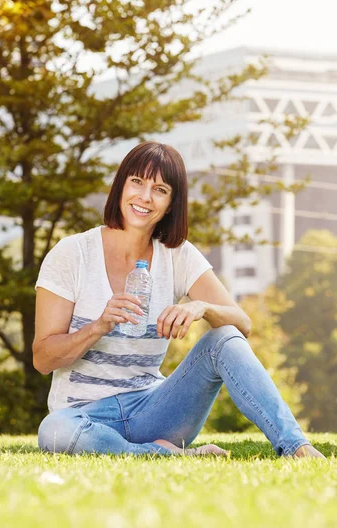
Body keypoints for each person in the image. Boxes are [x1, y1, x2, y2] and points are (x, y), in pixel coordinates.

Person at [33, 141, 324, 458]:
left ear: (171, 203)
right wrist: (98, 326)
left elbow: (243, 324)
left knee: (224, 335)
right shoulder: (72, 253)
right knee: (53, 430)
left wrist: (203, 307)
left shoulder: (178, 256)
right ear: (120, 188)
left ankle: (296, 447)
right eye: (137, 182)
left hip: (154, 411)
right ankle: (167, 455)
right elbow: (43, 359)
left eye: (159, 189)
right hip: (83, 416)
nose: (145, 197)